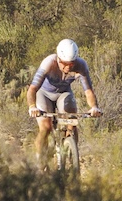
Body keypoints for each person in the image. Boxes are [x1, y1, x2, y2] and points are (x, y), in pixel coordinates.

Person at [26, 39, 102, 168]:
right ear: (58, 59)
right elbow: (32, 89)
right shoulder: (49, 63)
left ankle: (72, 155)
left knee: (71, 121)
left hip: (64, 93)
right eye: (65, 64)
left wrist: (94, 107)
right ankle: (40, 161)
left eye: (71, 64)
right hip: (43, 93)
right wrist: (32, 107)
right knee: (46, 127)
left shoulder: (81, 65)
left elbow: (88, 91)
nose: (68, 68)